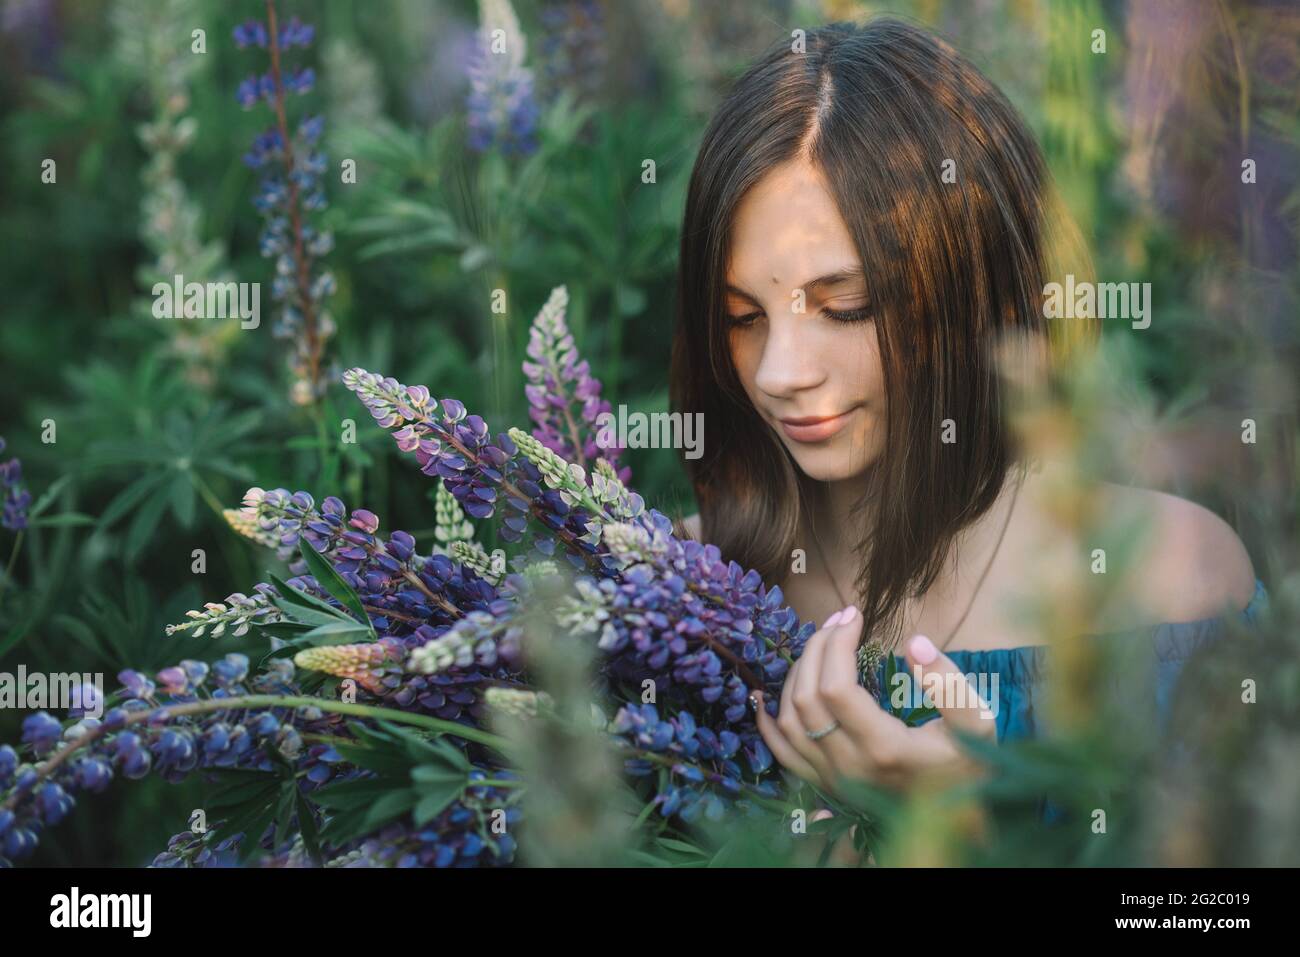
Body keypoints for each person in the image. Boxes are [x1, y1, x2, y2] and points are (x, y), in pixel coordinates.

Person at [667, 18, 1263, 804]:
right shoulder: (678, 590)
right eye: (743, 317)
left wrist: (973, 834)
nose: (780, 373)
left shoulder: (1170, 578)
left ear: (974, 290)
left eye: (846, 307)